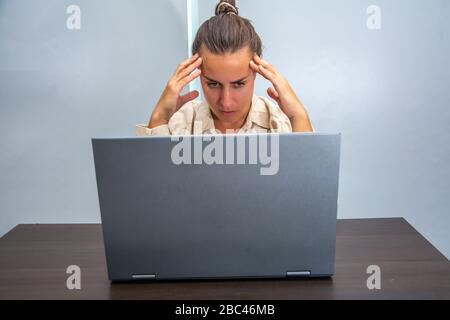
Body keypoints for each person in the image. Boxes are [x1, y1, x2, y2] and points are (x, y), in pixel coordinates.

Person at [136, 0, 314, 136]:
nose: (226, 102)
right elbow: (152, 182)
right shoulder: (179, 125)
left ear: (256, 72)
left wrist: (299, 116)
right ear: (198, 75)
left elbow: (310, 181)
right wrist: (160, 117)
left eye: (238, 84)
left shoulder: (281, 124)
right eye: (213, 84)